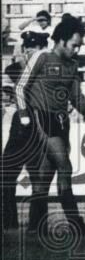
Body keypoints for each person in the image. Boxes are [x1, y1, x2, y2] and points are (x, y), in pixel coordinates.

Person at [15, 14, 85, 235]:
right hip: (41, 118)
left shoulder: (72, 66)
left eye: (79, 47)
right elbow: (20, 88)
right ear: (61, 40)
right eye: (74, 45)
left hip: (61, 123)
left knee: (45, 176)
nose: (77, 51)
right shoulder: (42, 58)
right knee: (65, 167)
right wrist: (25, 116)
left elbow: (76, 95)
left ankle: (36, 226)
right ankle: (75, 223)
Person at [2, 33, 48, 230]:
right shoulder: (28, 67)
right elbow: (10, 70)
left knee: (39, 177)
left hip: (35, 124)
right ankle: (11, 221)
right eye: (26, 47)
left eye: (32, 47)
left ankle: (36, 223)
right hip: (22, 125)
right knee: (7, 175)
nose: (28, 51)